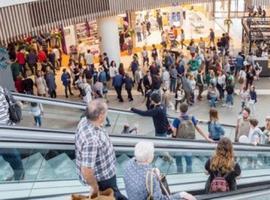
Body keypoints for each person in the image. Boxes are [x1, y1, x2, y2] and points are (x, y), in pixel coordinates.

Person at [75, 99, 127, 199]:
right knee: (115, 196)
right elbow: (87, 171)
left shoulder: (84, 121)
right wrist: (95, 187)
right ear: (100, 116)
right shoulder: (92, 140)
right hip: (103, 179)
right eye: (106, 112)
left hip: (102, 173)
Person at [123, 141, 196, 200]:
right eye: (152, 153)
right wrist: (181, 195)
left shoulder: (128, 164)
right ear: (149, 158)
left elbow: (140, 171)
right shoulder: (152, 178)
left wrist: (152, 170)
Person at [172, 103, 212, 173]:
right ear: (187, 109)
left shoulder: (177, 120)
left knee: (178, 160)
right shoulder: (192, 117)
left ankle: (179, 173)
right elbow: (198, 129)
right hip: (189, 142)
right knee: (189, 161)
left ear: (180, 109)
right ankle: (188, 174)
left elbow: (174, 133)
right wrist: (206, 138)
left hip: (179, 143)